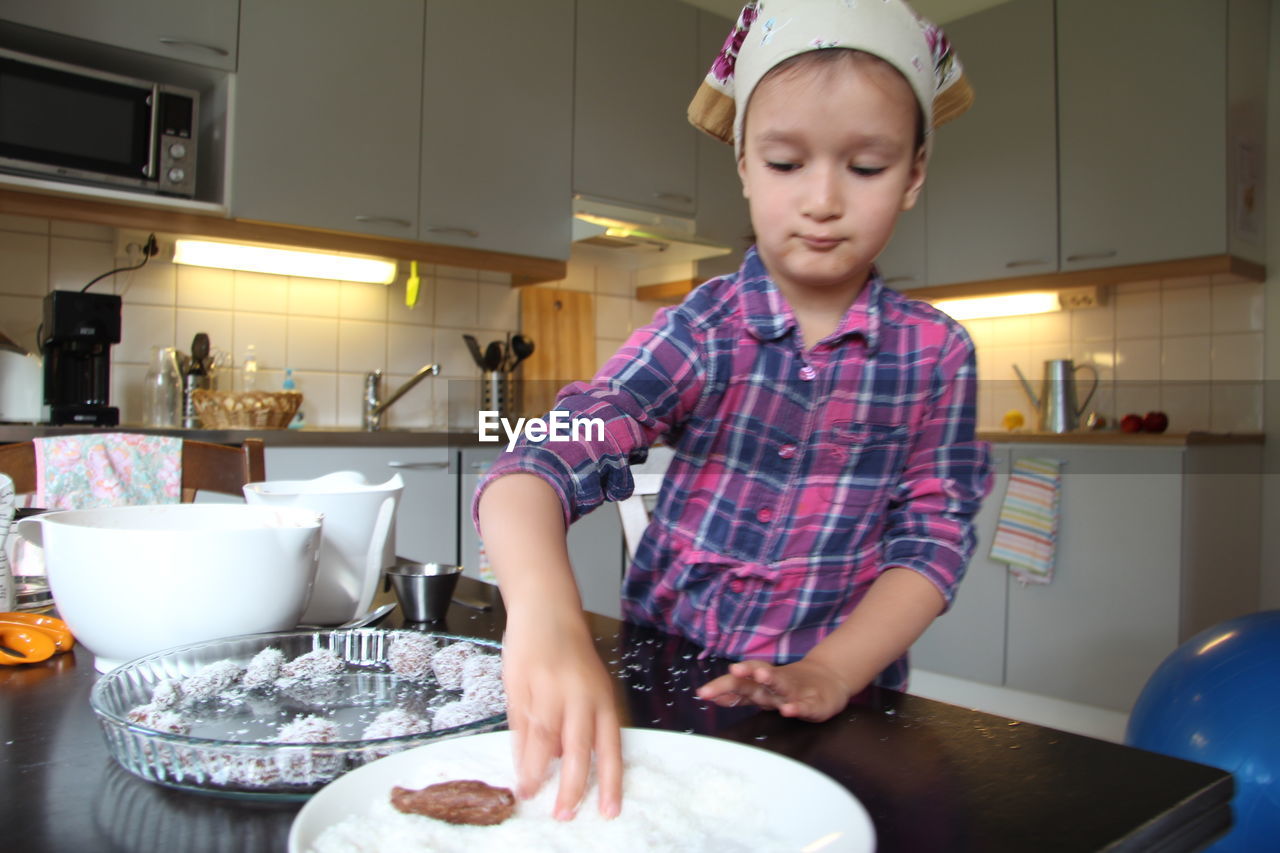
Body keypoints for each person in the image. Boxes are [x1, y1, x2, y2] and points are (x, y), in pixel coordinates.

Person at [474, 0, 992, 821]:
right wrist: (545, 614)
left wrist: (831, 671)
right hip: (667, 695)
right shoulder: (704, 331)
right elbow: (543, 454)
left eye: (866, 167)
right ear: (744, 166)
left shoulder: (937, 355)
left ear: (915, 174)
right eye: (786, 163)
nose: (822, 199)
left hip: (843, 714)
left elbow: (932, 539)